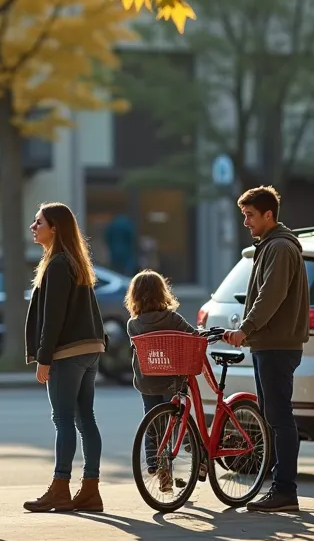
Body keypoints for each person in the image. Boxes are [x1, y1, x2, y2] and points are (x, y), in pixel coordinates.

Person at [221, 185, 311, 513]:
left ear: (268, 215)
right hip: (268, 344)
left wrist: (245, 329)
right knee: (274, 415)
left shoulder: (280, 247)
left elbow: (270, 296)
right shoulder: (270, 245)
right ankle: (280, 488)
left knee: (279, 416)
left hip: (276, 345)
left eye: (250, 215)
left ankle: (285, 491)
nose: (245, 222)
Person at [23, 202, 107, 514]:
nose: (33, 227)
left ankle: (60, 488)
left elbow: (53, 317)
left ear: (55, 228)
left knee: (63, 420)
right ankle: (90, 491)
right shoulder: (75, 261)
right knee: (86, 418)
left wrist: (43, 358)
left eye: (39, 222)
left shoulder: (58, 264)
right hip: (89, 350)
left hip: (67, 353)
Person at [124, 269, 194, 493]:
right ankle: (183, 457)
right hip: (172, 380)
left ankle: (154, 463)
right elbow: (192, 335)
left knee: (152, 421)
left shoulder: (133, 324)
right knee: (173, 422)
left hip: (147, 380)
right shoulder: (173, 319)